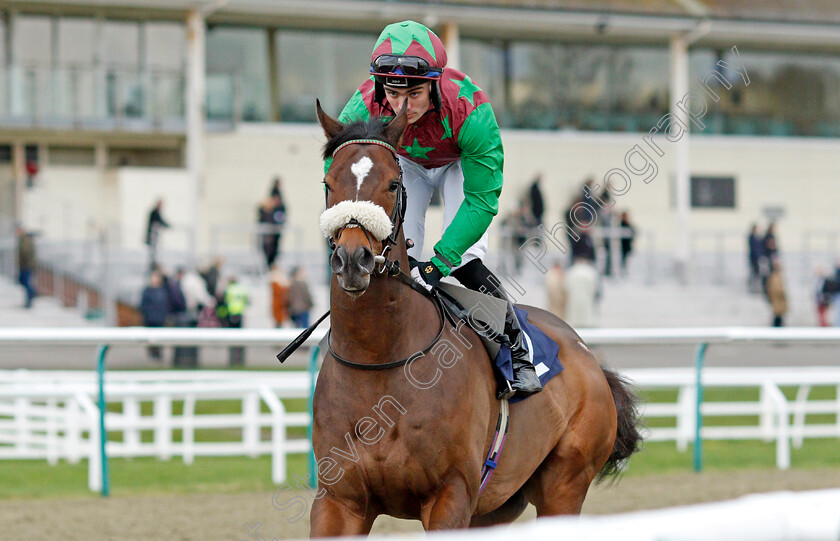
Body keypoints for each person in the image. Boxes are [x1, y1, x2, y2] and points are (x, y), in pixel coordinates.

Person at [332, 20, 541, 399]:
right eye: (394, 94)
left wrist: (441, 262)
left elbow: (481, 202)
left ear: (434, 84)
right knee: (396, 253)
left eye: (414, 94)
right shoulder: (361, 108)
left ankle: (517, 348)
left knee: (464, 261)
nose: (402, 107)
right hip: (404, 165)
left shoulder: (471, 112)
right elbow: (340, 171)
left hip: (459, 162)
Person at [139, 270, 171, 360]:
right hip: (150, 319)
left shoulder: (163, 290)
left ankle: (158, 353)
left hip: (160, 319)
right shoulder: (148, 291)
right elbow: (143, 305)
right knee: (150, 338)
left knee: (160, 338)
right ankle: (152, 353)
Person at [564, 255, 599, 328]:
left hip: (574, 300)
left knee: (575, 319)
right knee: (586, 318)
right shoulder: (590, 272)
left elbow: (566, 287)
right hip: (586, 300)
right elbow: (594, 287)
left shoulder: (571, 272)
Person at [222, 276, 249, 366]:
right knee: (240, 338)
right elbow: (247, 301)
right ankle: (240, 359)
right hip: (240, 314)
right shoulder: (241, 289)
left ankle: (232, 359)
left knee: (231, 337)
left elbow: (225, 301)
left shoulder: (229, 289)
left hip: (231, 314)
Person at [15, 225, 37, 309]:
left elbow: (25, 253)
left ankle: (31, 295)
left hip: (27, 265)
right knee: (22, 281)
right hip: (25, 265)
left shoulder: (25, 240)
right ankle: (32, 294)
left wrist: (25, 263)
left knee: (26, 282)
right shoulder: (23, 240)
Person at [145, 199, 170, 270]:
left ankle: (154, 264)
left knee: (154, 251)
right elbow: (159, 220)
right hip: (152, 236)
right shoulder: (154, 212)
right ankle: (152, 265)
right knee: (153, 251)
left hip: (154, 236)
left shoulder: (156, 212)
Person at [765, 258, 787, 327]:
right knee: (778, 316)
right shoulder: (775, 277)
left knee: (778, 316)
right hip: (778, 300)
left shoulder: (774, 276)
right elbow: (778, 289)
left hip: (777, 300)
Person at [269, 264, 290, 328]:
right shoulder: (275, 282)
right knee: (278, 320)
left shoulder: (277, 281)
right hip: (278, 303)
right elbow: (279, 292)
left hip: (280, 304)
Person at [747, 223, 763, 293]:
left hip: (757, 258)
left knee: (757, 273)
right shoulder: (752, 237)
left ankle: (756, 288)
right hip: (754, 258)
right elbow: (754, 248)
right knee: (754, 273)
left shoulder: (757, 237)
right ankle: (753, 288)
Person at [619, 211, 636, 275]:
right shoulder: (621, 224)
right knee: (622, 259)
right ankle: (622, 272)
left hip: (627, 245)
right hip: (622, 246)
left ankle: (625, 271)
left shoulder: (628, 224)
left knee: (627, 259)